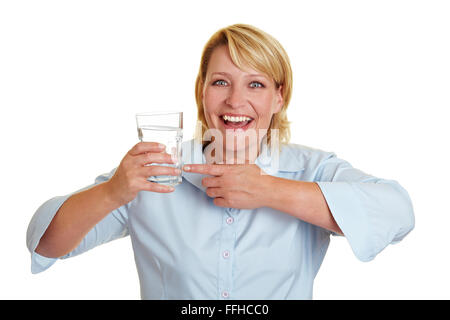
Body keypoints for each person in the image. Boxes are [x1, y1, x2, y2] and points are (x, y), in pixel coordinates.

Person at [26, 24, 415, 299]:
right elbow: (44, 243)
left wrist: (269, 190)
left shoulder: (310, 169)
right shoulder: (155, 171)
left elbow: (398, 214)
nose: (235, 101)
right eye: (221, 82)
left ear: (279, 98)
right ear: (202, 91)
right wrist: (112, 191)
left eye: (256, 84)